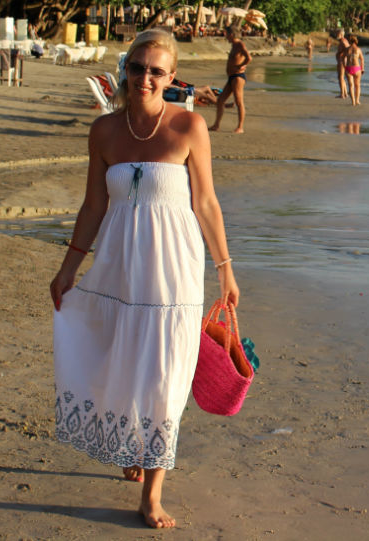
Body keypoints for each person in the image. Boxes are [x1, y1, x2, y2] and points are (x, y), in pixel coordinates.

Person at [50, 28, 240, 530]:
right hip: (118, 265)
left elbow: (206, 203)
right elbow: (94, 204)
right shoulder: (104, 131)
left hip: (174, 269)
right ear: (125, 71)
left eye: (157, 71)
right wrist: (69, 267)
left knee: (167, 371)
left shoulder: (190, 127)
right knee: (123, 355)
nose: (146, 78)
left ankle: (151, 494)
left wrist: (225, 269)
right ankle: (135, 444)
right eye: (138, 68)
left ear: (172, 76)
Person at [210, 27, 251, 133]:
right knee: (220, 100)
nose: (225, 36)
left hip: (238, 77)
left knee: (238, 101)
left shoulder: (240, 44)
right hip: (231, 77)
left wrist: (242, 65)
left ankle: (240, 127)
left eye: (226, 34)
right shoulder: (233, 45)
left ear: (231, 34)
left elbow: (249, 57)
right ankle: (216, 125)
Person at [344, 34, 364, 105]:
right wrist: (362, 69)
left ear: (350, 41)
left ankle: (353, 102)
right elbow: (362, 59)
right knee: (357, 85)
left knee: (351, 85)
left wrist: (345, 66)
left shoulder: (347, 49)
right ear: (356, 41)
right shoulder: (358, 49)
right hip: (357, 68)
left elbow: (344, 58)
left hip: (349, 68)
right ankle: (357, 100)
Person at [334, 31, 349, 98]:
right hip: (341, 60)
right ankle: (345, 93)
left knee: (340, 77)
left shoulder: (343, 41)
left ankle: (342, 94)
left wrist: (343, 55)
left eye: (338, 34)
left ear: (341, 35)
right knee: (341, 77)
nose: (336, 35)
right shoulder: (342, 41)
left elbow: (348, 49)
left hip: (342, 61)